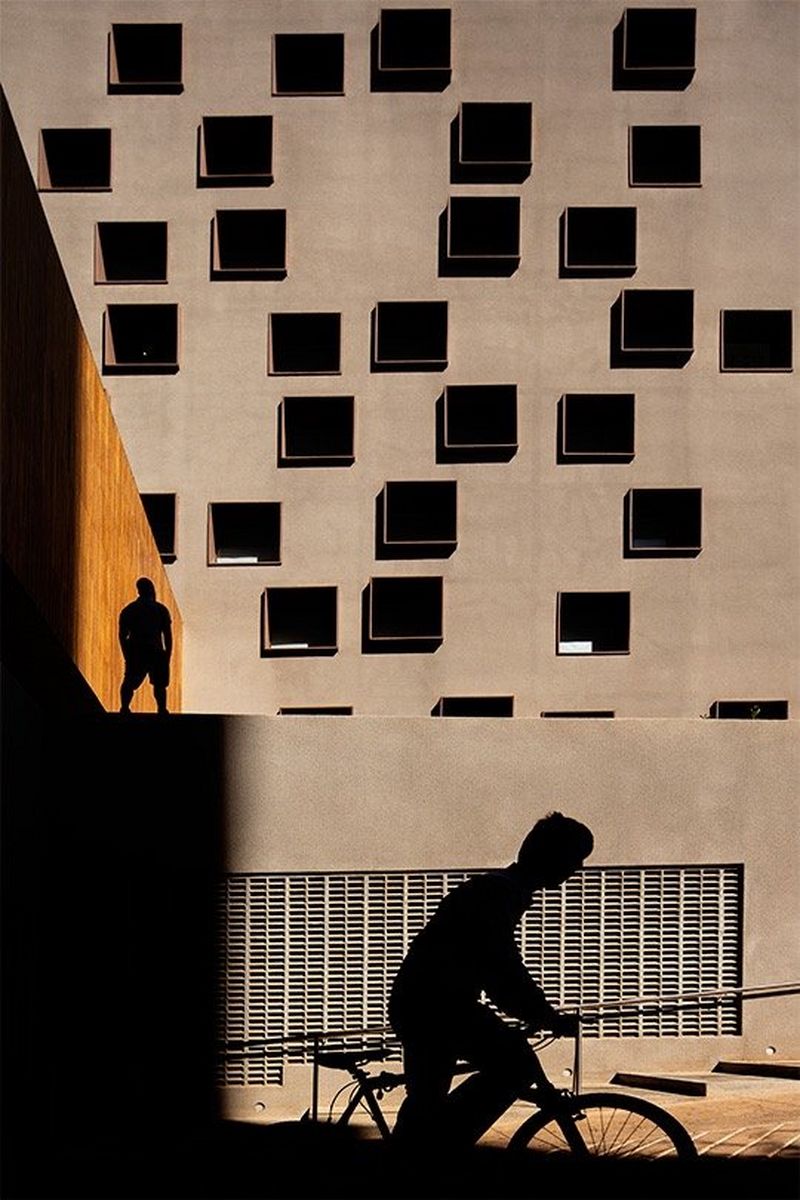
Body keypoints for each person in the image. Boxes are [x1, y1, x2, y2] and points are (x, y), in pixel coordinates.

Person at [389, 812, 594, 1149]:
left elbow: (496, 967)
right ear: (555, 857)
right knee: (515, 1066)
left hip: (430, 1003)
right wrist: (543, 1014)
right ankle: (437, 1145)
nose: (578, 869)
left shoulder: (499, 889)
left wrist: (534, 1011)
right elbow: (500, 966)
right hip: (438, 1007)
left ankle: (429, 1144)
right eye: (576, 858)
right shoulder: (500, 894)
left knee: (427, 1098)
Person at [118, 577, 173, 715]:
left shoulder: (129, 610)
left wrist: (126, 653)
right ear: (151, 590)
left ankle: (124, 707)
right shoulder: (161, 609)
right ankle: (161, 709)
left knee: (129, 682)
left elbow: (122, 636)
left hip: (137, 651)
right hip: (155, 651)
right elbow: (167, 636)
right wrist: (167, 655)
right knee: (159, 685)